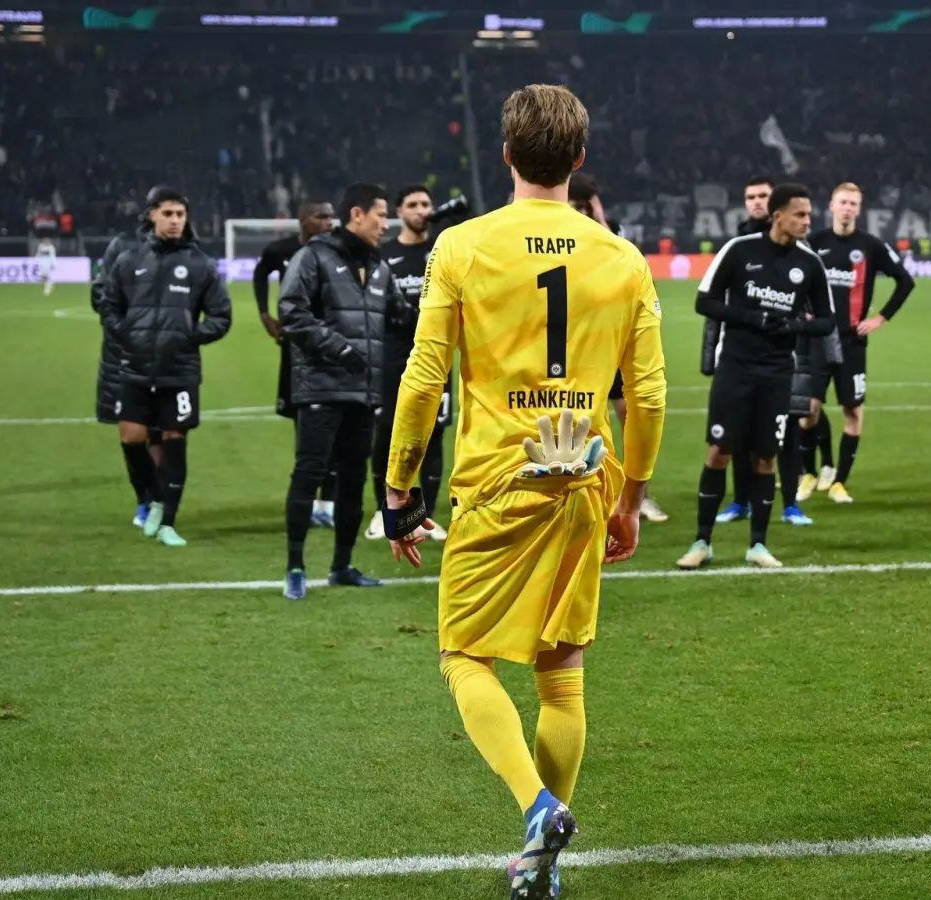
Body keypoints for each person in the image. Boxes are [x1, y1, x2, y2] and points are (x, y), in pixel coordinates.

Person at [380, 83, 667, 899]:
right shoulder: (620, 258)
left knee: (464, 656)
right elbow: (646, 395)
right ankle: (542, 858)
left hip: (497, 484)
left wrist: (400, 487)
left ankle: (538, 809)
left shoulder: (462, 247)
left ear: (505, 155)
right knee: (562, 672)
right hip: (583, 483)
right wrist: (631, 495)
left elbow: (423, 378)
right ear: (579, 158)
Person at [681, 183, 835, 571]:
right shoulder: (740, 250)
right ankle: (702, 542)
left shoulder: (810, 264)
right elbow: (705, 301)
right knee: (719, 452)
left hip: (777, 372)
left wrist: (796, 324)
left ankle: (758, 545)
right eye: (799, 214)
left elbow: (829, 321)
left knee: (766, 456)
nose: (807, 222)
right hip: (735, 367)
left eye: (809, 215)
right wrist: (754, 318)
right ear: (777, 214)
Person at [277, 183, 398, 598]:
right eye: (381, 214)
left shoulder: (380, 267)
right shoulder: (312, 256)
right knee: (309, 474)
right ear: (357, 215)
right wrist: (339, 348)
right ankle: (295, 567)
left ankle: (342, 566)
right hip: (321, 389)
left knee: (352, 481)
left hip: (363, 393)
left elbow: (402, 317)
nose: (386, 223)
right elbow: (291, 312)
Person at [99, 186, 232, 547]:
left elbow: (222, 316)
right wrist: (124, 333)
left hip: (180, 370)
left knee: (174, 443)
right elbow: (108, 304)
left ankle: (169, 521)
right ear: (152, 215)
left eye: (180, 215)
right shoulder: (130, 259)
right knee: (131, 439)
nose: (175, 221)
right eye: (168, 214)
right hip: (137, 366)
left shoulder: (200, 264)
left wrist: (190, 336)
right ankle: (155, 497)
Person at [797, 181, 916, 505]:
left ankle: (839, 482)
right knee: (807, 410)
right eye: (843, 202)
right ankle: (808, 474)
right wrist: (802, 314)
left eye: (854, 203)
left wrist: (880, 318)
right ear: (831, 206)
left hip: (852, 342)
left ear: (859, 210)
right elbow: (792, 280)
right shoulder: (813, 242)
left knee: (853, 410)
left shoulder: (871, 246)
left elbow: (905, 281)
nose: (848, 208)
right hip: (818, 340)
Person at [568, 171, 669, 524]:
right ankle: (584, 492)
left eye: (585, 205)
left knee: (630, 415)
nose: (580, 211)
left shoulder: (608, 234)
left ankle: (639, 495)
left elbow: (617, 257)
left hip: (613, 343)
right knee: (580, 422)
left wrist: (597, 212)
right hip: (579, 347)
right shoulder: (560, 235)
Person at [364, 185, 452, 544]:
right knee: (386, 437)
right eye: (413, 205)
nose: (421, 210)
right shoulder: (384, 257)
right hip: (392, 361)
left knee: (433, 437)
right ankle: (384, 513)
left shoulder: (444, 254)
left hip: (438, 360)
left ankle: (422, 517)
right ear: (399, 211)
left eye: (426, 204)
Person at [255, 200, 338, 527]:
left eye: (332, 217)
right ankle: (310, 499)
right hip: (295, 351)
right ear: (303, 220)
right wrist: (265, 314)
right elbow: (261, 273)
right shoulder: (281, 250)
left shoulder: (339, 251)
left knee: (333, 427)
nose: (329, 222)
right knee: (303, 425)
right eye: (322, 217)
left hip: (332, 349)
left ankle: (327, 506)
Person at [92, 197, 162, 529]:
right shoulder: (121, 247)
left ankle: (160, 501)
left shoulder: (185, 252)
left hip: (166, 356)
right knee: (132, 435)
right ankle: (144, 499)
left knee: (162, 434)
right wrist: (132, 324)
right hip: (124, 354)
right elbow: (100, 295)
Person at [711, 176, 776, 524]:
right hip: (739, 353)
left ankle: (790, 501)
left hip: (782, 355)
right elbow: (713, 300)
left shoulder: (796, 245)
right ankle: (740, 501)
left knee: (777, 436)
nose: (756, 202)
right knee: (735, 433)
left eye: (763, 195)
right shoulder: (737, 243)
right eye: (750, 196)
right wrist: (710, 353)